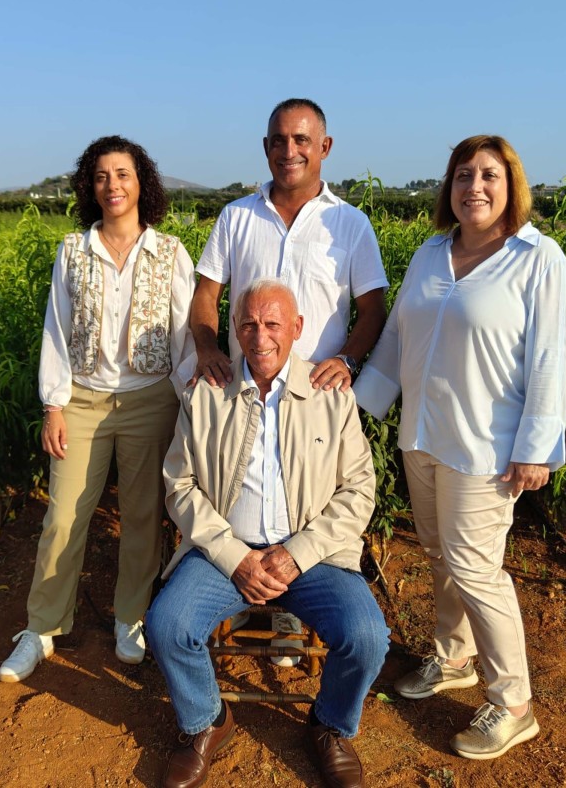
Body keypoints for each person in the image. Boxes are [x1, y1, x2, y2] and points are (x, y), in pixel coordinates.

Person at [353, 135, 566, 760]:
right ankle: (453, 658)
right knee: (437, 553)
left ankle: (513, 702)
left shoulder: (539, 261)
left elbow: (553, 362)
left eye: (488, 176)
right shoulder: (431, 255)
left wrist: (536, 447)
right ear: (447, 189)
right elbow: (397, 341)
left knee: (476, 569)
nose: (474, 188)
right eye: (462, 176)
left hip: (488, 448)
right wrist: (354, 411)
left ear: (511, 186)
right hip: (423, 438)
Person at [147, 280, 389, 788]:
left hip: (312, 556)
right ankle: (207, 723)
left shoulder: (331, 396)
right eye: (250, 324)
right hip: (224, 555)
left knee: (367, 638)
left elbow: (358, 491)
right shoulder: (207, 391)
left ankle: (329, 727)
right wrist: (234, 555)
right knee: (167, 625)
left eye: (274, 323)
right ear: (234, 330)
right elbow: (180, 484)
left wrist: (297, 554)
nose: (261, 337)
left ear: (297, 329)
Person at [189, 97, 389, 662]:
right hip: (243, 392)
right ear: (266, 148)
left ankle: (291, 613)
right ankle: (232, 601)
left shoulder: (348, 224)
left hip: (317, 402)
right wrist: (207, 347)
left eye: (303, 140)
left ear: (324, 148)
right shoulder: (237, 216)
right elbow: (207, 295)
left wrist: (346, 360)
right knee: (243, 498)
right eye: (279, 140)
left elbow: (373, 309)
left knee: (303, 509)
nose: (290, 150)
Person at [0, 135, 195, 682]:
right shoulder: (72, 250)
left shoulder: (171, 252)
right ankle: (40, 628)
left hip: (151, 398)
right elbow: (55, 331)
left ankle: (130, 618)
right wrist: (53, 405)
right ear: (91, 186)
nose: (113, 185)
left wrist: (188, 406)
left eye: (123, 175)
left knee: (141, 518)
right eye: (103, 176)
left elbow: (185, 338)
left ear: (142, 183)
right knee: (63, 516)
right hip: (82, 399)